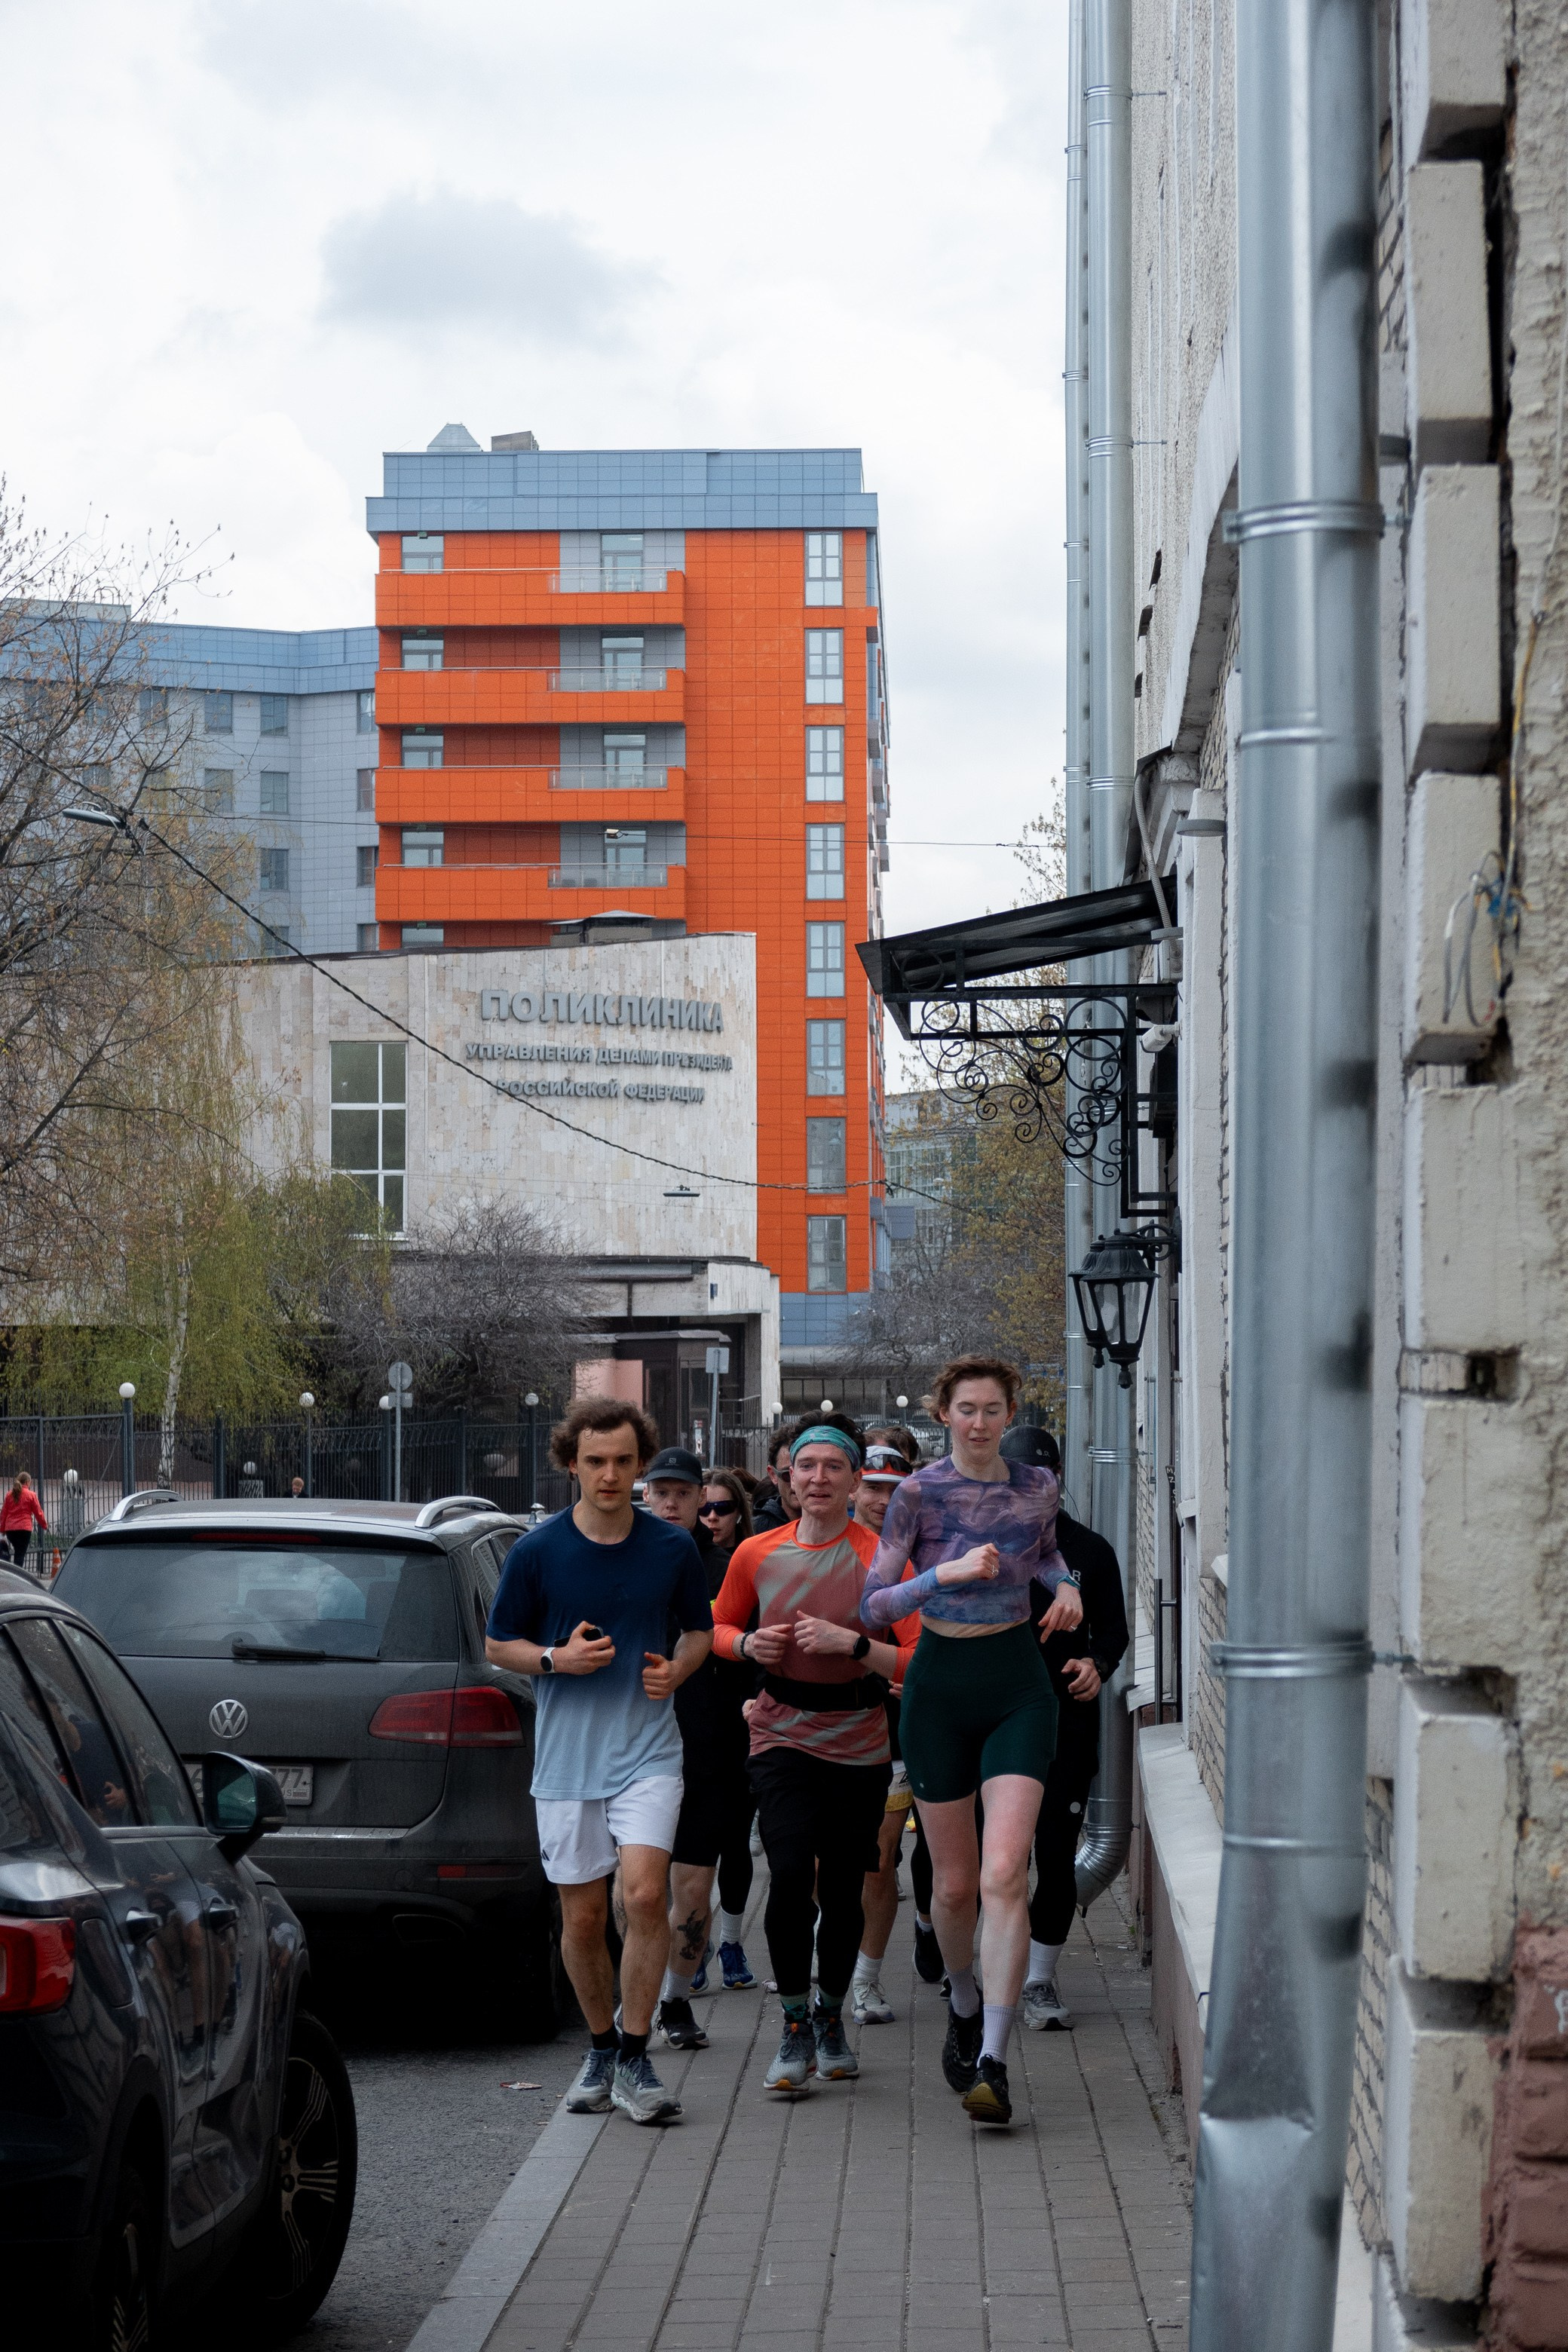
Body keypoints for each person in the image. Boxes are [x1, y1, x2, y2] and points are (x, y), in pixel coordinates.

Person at [859, 1355, 1083, 2126]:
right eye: (966, 1410)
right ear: (944, 1415)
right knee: (952, 1887)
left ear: (1008, 1412)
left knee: (1003, 1874)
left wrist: (1069, 1588)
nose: (981, 1422)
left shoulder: (1037, 1487)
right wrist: (942, 1578)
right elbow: (874, 1606)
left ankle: (993, 2056)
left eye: (993, 1409)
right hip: (939, 1688)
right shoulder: (918, 1495)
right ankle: (961, 2000)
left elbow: (1045, 1553)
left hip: (1018, 1684)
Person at [485, 1398, 712, 2126]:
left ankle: (638, 2058)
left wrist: (675, 1673)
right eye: (595, 1462)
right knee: (582, 1918)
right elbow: (500, 1645)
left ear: (640, 1464)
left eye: (622, 1461)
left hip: (648, 1748)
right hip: (565, 1758)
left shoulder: (671, 1549)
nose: (610, 1475)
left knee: (646, 1897)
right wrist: (556, 1658)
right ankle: (602, 2046)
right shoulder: (538, 1551)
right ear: (572, 1465)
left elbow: (700, 1633)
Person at [710, 1414, 905, 2095]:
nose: (818, 1478)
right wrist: (743, 1647)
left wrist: (854, 1647)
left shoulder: (882, 1559)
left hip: (859, 1738)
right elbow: (719, 1623)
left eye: (833, 1467)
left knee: (844, 1888)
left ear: (855, 1480)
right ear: (787, 1477)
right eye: (806, 1466)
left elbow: (916, 1659)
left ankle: (830, 2016)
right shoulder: (756, 1553)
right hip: (781, 1730)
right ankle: (794, 2023)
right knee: (790, 1870)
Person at [1001, 1427, 1130, 2031]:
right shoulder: (976, 1549)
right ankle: (964, 1962)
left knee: (1054, 1858)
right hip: (994, 1727)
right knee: (992, 1864)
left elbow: (1113, 1632)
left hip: (1064, 1727)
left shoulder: (1091, 1551)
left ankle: (1039, 1981)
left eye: (1043, 1479)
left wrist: (1096, 1665)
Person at [642, 1447, 758, 2048]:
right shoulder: (622, 1564)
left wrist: (752, 1702)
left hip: (709, 1750)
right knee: (635, 1891)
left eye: (682, 1494)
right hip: (632, 1750)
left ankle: (675, 2001)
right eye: (660, 1491)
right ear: (646, 1496)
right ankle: (633, 1999)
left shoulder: (730, 1570)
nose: (670, 1503)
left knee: (692, 1884)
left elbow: (750, 1650)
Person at [847, 1444, 920, 2025]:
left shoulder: (926, 1555)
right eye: (872, 1488)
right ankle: (827, 1948)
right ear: (853, 1490)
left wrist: (914, 1672)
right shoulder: (819, 1550)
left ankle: (865, 1981)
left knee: (878, 1858)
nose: (881, 1500)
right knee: (820, 1863)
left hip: (893, 1730)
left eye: (893, 1491)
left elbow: (932, 1641)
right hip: (815, 1727)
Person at [750, 1424, 802, 1533]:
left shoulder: (838, 1526)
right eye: (788, 1474)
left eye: (806, 1469)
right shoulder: (754, 1531)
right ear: (773, 1475)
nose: (796, 1482)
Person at [2, 1473, 49, 1573]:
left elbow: (3, 1514)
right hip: (24, 1529)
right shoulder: (31, 1495)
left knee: (17, 1551)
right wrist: (45, 1525)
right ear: (28, 1482)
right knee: (20, 1553)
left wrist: (2, 1530)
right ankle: (17, 1576)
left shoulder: (9, 1495)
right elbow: (38, 1512)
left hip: (10, 1530)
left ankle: (13, 1573)